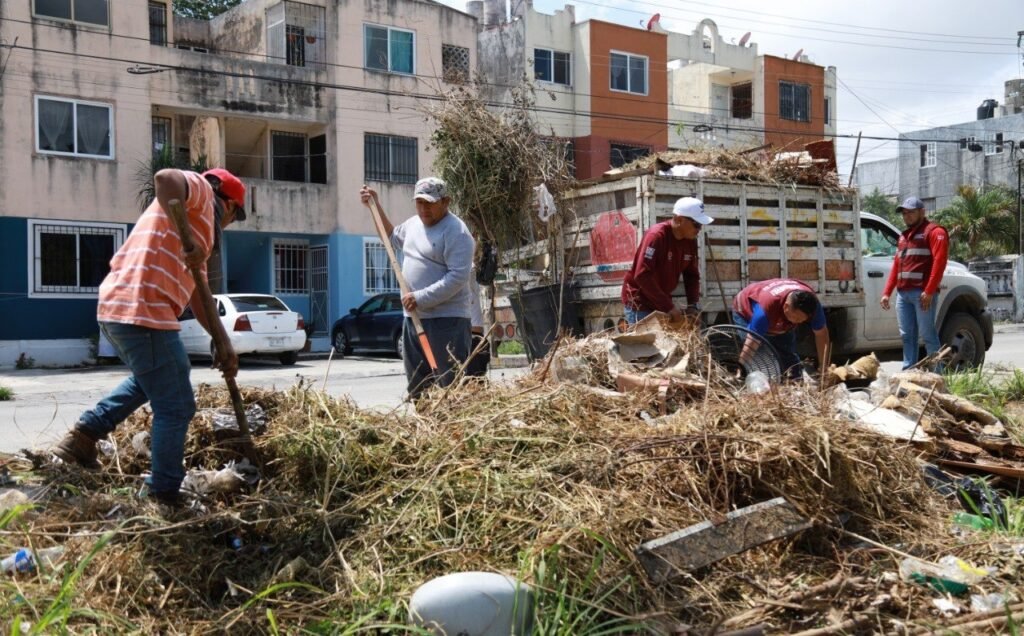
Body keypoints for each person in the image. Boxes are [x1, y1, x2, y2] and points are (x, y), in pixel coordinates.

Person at [53, 168, 247, 506]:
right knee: (177, 405)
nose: (230, 223)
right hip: (144, 309)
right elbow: (165, 179)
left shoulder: (200, 234)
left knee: (154, 379)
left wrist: (222, 340)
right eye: (236, 215)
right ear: (228, 205)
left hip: (119, 307)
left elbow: (199, 297)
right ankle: (165, 492)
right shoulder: (201, 193)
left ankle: (83, 438)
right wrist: (188, 237)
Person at [360, 177, 475, 398]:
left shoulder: (456, 231)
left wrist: (420, 297)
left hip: (447, 321)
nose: (424, 208)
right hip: (413, 318)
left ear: (446, 202)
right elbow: (391, 238)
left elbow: (458, 277)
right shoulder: (413, 224)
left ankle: (450, 428)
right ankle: (423, 426)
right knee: (418, 383)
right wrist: (374, 207)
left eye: (430, 203)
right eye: (419, 202)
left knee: (449, 384)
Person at [880, 196, 949, 369]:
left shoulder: (935, 232)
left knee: (928, 335)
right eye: (904, 213)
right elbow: (897, 266)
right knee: (907, 336)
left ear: (922, 212)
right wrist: (887, 292)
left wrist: (929, 291)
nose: (907, 216)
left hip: (922, 295)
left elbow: (939, 262)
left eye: (911, 212)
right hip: (903, 295)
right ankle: (908, 373)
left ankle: (937, 375)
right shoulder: (904, 237)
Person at [621, 197, 713, 324]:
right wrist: (668, 306)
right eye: (696, 224)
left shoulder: (690, 241)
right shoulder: (656, 236)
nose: (699, 229)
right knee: (645, 344)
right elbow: (642, 275)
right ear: (680, 219)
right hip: (640, 304)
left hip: (661, 303)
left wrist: (693, 305)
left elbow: (691, 276)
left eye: (701, 225)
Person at [732, 278, 830, 379]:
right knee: (760, 356)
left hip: (778, 316)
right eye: (796, 318)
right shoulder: (765, 310)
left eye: (802, 320)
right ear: (786, 307)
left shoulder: (813, 306)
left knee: (787, 354)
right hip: (746, 310)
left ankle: (795, 383)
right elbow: (751, 344)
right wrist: (740, 370)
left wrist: (824, 367)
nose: (798, 322)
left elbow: (821, 334)